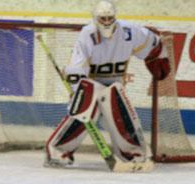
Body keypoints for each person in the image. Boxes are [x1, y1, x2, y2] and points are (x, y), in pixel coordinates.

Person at [45, 0, 170, 167]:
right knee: (84, 112)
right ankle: (58, 152)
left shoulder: (129, 31)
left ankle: (132, 153)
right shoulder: (87, 34)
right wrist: (78, 91)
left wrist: (158, 57)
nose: (106, 22)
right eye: (102, 18)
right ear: (95, 18)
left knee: (121, 114)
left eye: (109, 18)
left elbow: (153, 41)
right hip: (90, 84)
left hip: (114, 85)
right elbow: (76, 65)